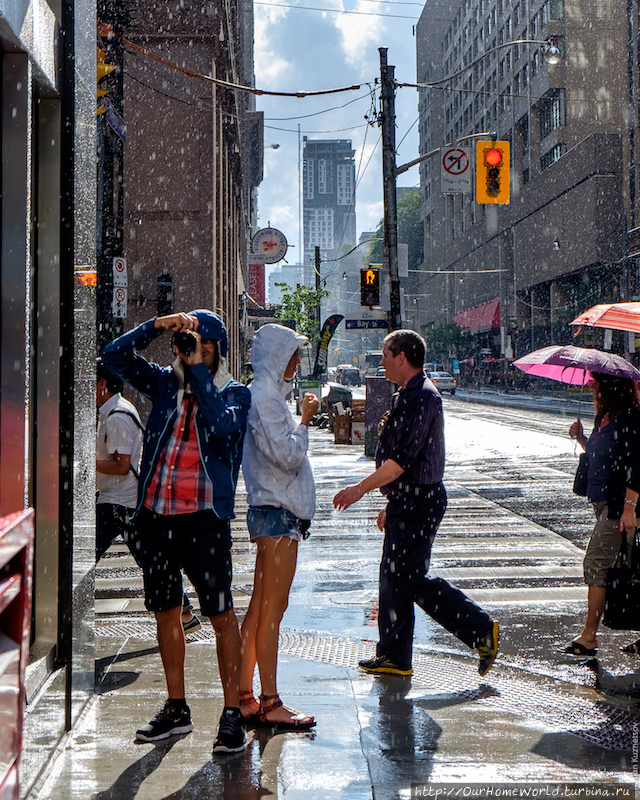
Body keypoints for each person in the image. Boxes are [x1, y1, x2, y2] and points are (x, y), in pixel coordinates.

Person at [102, 310, 251, 753]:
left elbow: (223, 424)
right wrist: (158, 324)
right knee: (166, 612)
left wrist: (200, 376)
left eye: (202, 347)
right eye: (188, 347)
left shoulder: (234, 392)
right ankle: (176, 707)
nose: (193, 354)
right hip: (157, 516)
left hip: (205, 519)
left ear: (217, 350)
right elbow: (113, 356)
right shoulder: (166, 383)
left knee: (221, 616)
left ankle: (231, 714)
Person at [333, 330, 499, 677]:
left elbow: (401, 461)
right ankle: (394, 655)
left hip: (420, 502)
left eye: (385, 355)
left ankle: (479, 627)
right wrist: (391, 502)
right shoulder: (407, 394)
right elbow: (402, 466)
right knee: (392, 578)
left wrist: (359, 490)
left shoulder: (422, 397)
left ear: (402, 357)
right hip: (408, 500)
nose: (381, 362)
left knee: (409, 576)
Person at [239, 324, 318, 731]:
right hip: (277, 515)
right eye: (293, 353)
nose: (299, 361)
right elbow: (286, 454)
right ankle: (269, 701)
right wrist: (304, 421)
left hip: (275, 514)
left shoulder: (267, 396)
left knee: (260, 608)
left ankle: (245, 695)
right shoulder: (265, 398)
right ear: (276, 356)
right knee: (272, 609)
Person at [96, 358, 201, 633]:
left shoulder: (117, 415)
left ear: (102, 385)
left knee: (82, 556)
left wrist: (83, 463)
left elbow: (121, 465)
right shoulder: (114, 410)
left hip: (119, 502)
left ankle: (62, 602)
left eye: (90, 384)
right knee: (150, 560)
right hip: (119, 500)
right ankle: (186, 612)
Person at [564, 372, 640, 657]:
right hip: (602, 502)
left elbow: (636, 464)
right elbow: (603, 455)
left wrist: (629, 508)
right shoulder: (604, 418)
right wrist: (583, 438)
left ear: (611, 386)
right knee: (630, 567)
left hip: (619, 507)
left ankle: (589, 636)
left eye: (596, 381)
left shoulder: (630, 419)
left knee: (596, 563)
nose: (591, 385)